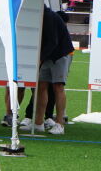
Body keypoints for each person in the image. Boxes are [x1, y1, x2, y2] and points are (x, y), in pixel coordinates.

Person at [22, 7, 72, 135]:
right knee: (41, 86)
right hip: (48, 55)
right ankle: (38, 123)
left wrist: (40, 59)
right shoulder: (37, 16)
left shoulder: (48, 16)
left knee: (58, 86)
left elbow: (53, 42)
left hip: (60, 53)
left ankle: (60, 124)